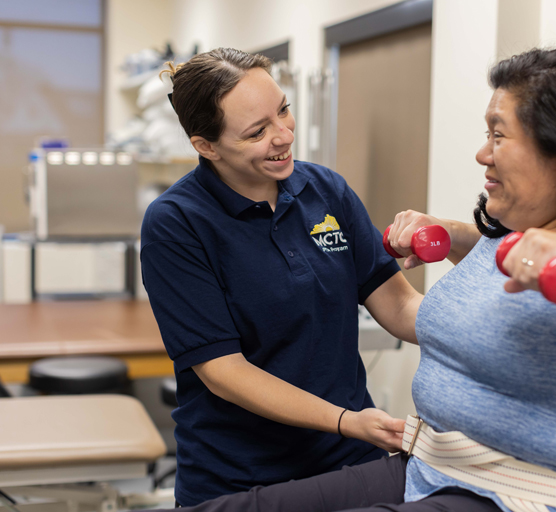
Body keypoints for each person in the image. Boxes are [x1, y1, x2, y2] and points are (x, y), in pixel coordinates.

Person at [150, 47, 556, 512]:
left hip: (511, 486)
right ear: (208, 146)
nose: (480, 153)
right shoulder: (519, 226)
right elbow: (482, 296)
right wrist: (468, 235)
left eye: (498, 134)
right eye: (256, 132)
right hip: (426, 463)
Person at [140, 48, 422, 506]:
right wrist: (346, 419)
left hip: (350, 461)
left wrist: (472, 324)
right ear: (205, 146)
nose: (284, 135)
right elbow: (224, 373)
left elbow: (398, 304)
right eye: (257, 131)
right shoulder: (177, 222)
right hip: (242, 476)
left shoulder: (325, 189)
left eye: (284, 111)